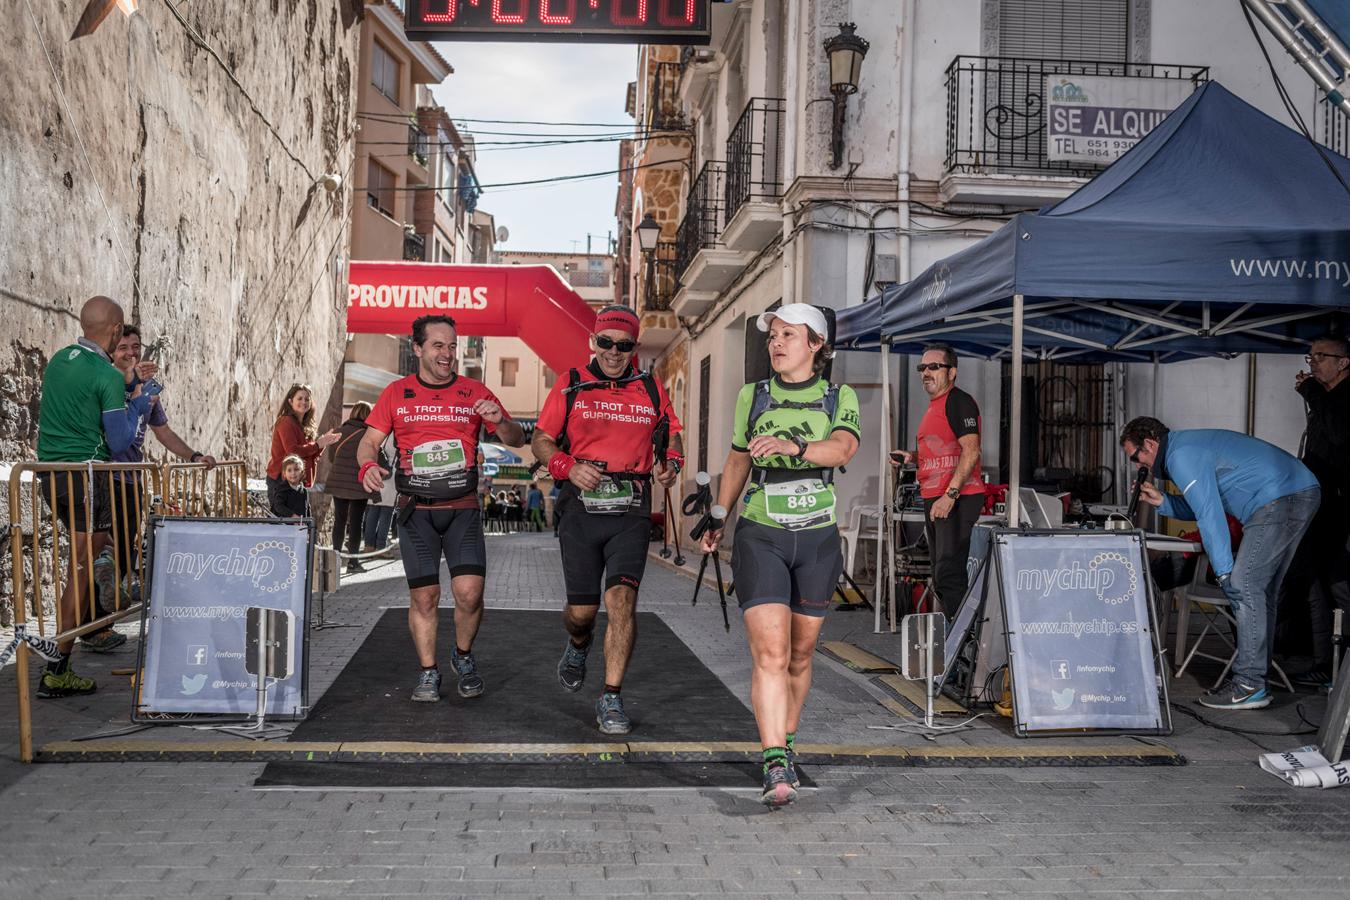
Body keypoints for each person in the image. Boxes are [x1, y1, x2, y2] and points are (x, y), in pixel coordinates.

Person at [698, 303, 860, 806]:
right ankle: (773, 761)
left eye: (789, 335)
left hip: (816, 538)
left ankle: (786, 743)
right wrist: (719, 516)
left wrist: (793, 448)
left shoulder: (838, 396)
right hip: (761, 532)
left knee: (801, 654)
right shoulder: (754, 394)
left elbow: (842, 449)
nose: (776, 342)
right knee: (770, 653)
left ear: (816, 345)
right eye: (773, 335)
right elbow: (737, 457)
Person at [532, 304, 683, 736]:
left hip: (631, 506)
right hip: (581, 504)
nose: (615, 353)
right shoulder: (572, 383)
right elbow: (542, 439)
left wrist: (670, 462)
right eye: (606, 343)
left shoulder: (650, 387)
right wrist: (566, 466)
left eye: (624, 346)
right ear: (592, 342)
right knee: (583, 612)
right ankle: (578, 644)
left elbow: (670, 431)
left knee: (622, 603)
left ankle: (611, 696)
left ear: (634, 347)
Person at [357, 314, 524, 703]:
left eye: (452, 346)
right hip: (417, 512)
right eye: (438, 345)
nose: (447, 354)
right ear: (417, 348)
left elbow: (515, 437)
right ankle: (429, 672)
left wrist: (500, 423)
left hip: (462, 509)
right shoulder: (397, 393)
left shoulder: (474, 391)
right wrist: (368, 465)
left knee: (469, 594)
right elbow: (369, 442)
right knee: (425, 598)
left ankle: (462, 656)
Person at [1121, 416, 1320, 710]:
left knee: (1244, 583)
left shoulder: (1180, 455)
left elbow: (1210, 514)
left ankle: (1249, 684)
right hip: (1295, 491)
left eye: (1136, 457)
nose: (1139, 466)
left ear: (1149, 444)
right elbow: (1203, 503)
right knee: (1260, 591)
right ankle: (1255, 680)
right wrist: (1163, 501)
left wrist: (1225, 572)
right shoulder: (1185, 447)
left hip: (1281, 496)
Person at [34, 296, 156, 697]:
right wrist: (138, 402)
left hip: (51, 474)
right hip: (88, 476)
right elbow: (120, 438)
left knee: (87, 557)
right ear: (117, 331)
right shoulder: (104, 375)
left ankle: (109, 577)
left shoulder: (58, 360)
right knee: (82, 568)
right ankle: (58, 668)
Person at [89, 325, 218, 651]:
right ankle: (90, 628)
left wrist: (194, 455)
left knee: (119, 556)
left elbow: (163, 432)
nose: (131, 353)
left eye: (136, 347)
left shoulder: (149, 389)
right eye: (123, 348)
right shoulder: (103, 378)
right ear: (111, 351)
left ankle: (103, 626)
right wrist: (131, 384)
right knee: (100, 555)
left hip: (134, 479)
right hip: (106, 476)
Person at [890, 344, 983, 618]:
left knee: (948, 573)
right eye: (922, 368)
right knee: (941, 575)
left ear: (951, 372)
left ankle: (967, 645)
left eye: (934, 367)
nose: (926, 372)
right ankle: (961, 640)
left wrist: (950, 496)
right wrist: (911, 457)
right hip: (937, 497)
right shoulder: (935, 406)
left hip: (956, 498)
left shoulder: (958, 401)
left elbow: (972, 450)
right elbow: (945, 453)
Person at [1286, 334, 1350, 686]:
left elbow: (1340, 435)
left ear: (1344, 362)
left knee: (1339, 585)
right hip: (1319, 505)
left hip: (1341, 510)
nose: (1312, 363)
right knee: (1316, 584)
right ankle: (1325, 662)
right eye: (1309, 357)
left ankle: (1341, 669)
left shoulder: (1342, 397)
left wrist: (1310, 392)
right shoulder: (1324, 397)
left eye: (1321, 357)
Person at [266, 383, 339, 516]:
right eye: (299, 398)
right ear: (290, 401)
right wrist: (317, 444)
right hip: (281, 481)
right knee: (282, 525)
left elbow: (309, 456)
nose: (303, 402)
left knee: (298, 525)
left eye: (307, 399)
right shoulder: (286, 422)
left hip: (297, 481)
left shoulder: (305, 426)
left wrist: (323, 444)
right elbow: (292, 451)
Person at [325, 401, 376, 575]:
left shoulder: (339, 431)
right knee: (355, 523)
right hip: (358, 485)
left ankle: (335, 560)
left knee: (339, 521)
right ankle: (354, 562)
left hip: (339, 482)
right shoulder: (368, 435)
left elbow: (332, 457)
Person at [362, 433, 398, 557]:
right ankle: (381, 547)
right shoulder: (396, 434)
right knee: (386, 513)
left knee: (373, 510)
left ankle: (368, 545)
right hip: (390, 476)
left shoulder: (381, 433)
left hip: (376, 473)